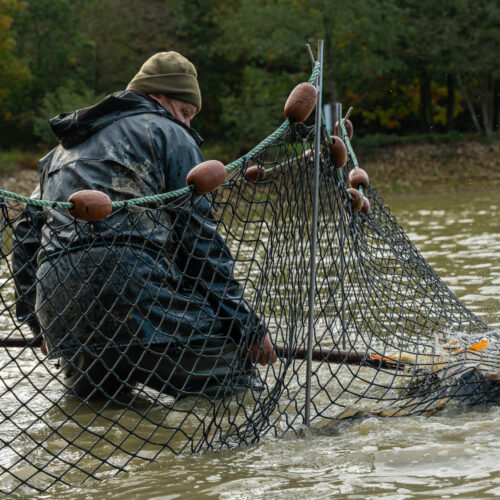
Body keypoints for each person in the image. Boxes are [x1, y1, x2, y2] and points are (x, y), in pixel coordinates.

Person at [13, 51, 276, 400]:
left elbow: (26, 236)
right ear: (159, 98)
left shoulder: (60, 152)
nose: (187, 125)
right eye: (185, 112)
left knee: (98, 420)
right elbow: (199, 242)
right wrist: (248, 331)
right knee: (235, 390)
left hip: (64, 313)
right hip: (140, 296)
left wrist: (39, 324)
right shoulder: (170, 133)